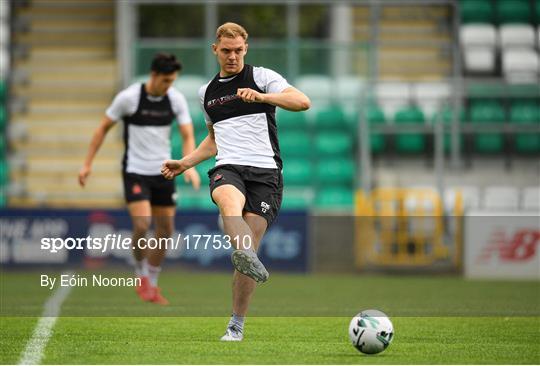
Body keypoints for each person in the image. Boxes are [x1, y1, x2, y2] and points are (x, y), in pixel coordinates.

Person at [161, 23, 310, 340]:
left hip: (266, 172)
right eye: (226, 50)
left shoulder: (262, 77)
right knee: (229, 202)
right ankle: (241, 245)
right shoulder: (207, 93)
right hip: (228, 166)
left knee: (248, 251)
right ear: (215, 49)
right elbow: (213, 141)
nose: (232, 56)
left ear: (246, 49)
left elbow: (302, 102)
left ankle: (236, 323)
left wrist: (262, 97)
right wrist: (184, 162)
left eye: (238, 50)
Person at [79, 53, 200, 305]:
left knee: (166, 230)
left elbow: (187, 134)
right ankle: (141, 273)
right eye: (166, 80)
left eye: (172, 81)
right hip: (135, 171)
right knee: (143, 224)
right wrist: (87, 164)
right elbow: (102, 128)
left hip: (165, 171)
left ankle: (152, 283)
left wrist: (188, 164)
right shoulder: (129, 98)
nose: (169, 86)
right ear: (153, 75)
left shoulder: (175, 99)